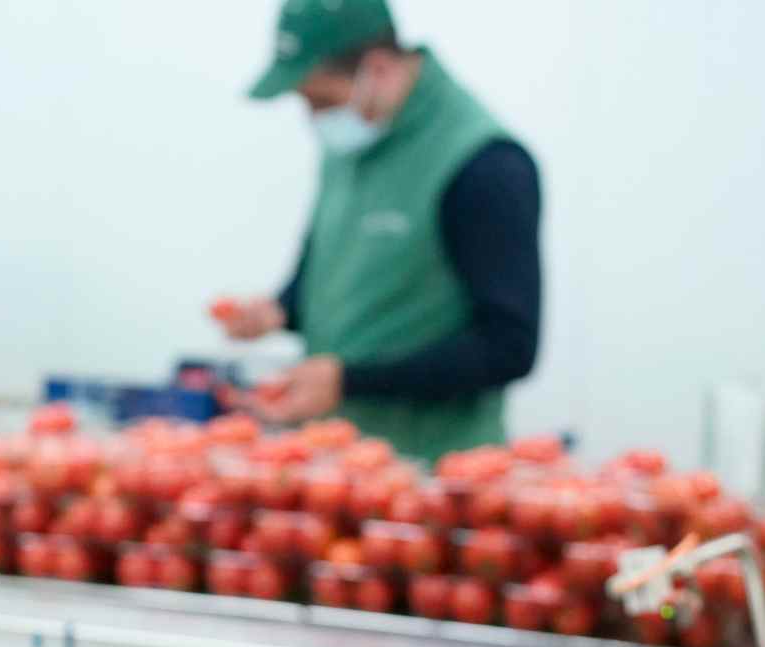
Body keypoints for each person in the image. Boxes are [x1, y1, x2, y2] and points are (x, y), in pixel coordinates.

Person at [214, 0, 542, 462]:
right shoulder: (353, 140)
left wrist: (348, 381)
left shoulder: (482, 165)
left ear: (379, 69)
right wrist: (280, 311)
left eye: (322, 100)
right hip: (338, 464)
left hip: (435, 473)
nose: (315, 118)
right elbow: (332, 266)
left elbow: (508, 347)